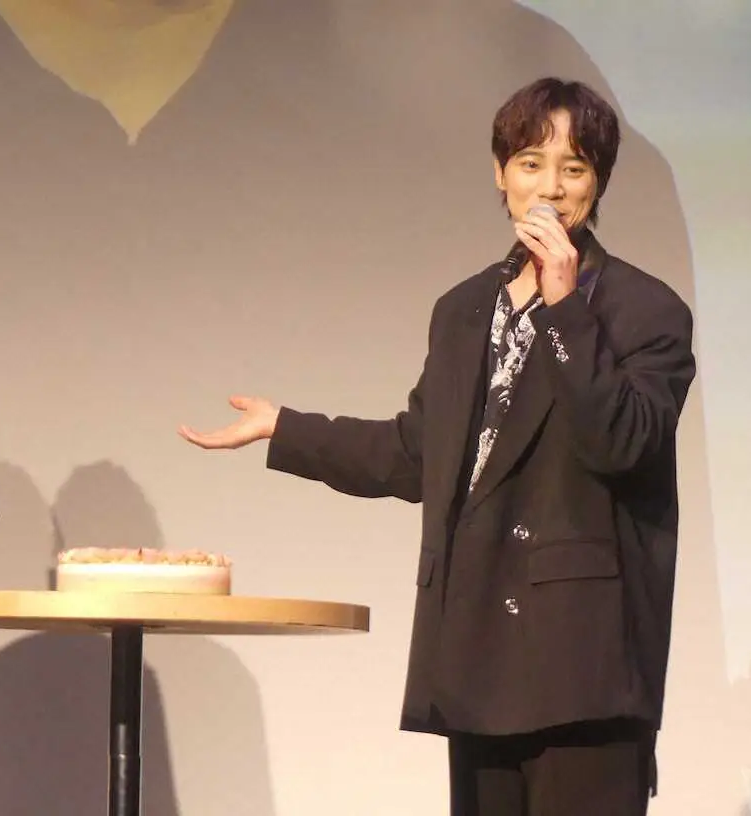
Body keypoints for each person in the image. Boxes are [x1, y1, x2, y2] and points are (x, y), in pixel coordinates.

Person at [178, 77, 696, 816]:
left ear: (598, 183)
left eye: (573, 168)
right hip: (478, 654)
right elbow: (420, 453)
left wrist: (562, 306)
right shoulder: (463, 310)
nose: (550, 187)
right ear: (500, 175)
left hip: (585, 668)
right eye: (530, 163)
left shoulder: (645, 311)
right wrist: (285, 427)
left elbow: (621, 440)